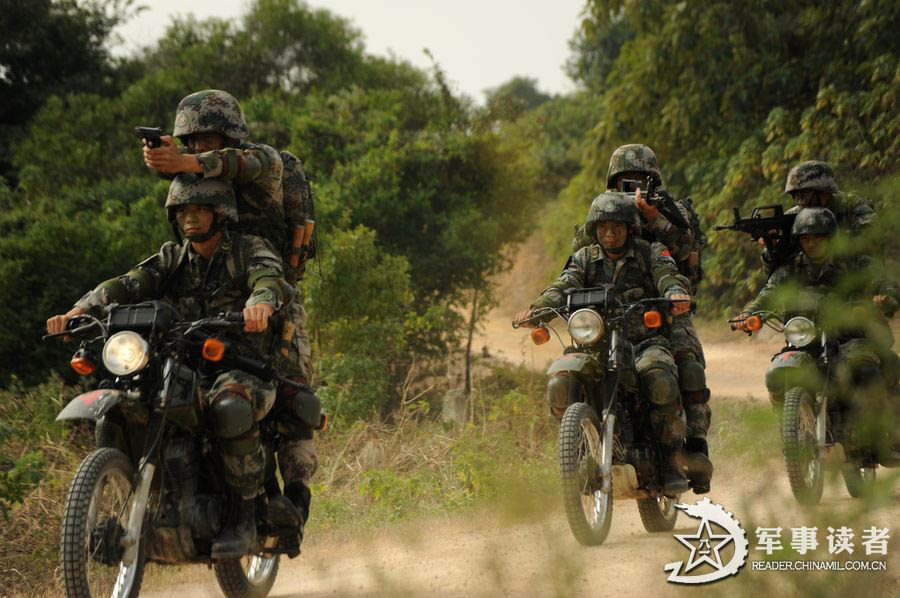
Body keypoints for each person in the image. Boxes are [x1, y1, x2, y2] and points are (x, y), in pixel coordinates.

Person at [47, 175, 288, 558]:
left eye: (199, 210)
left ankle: (243, 514)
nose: (190, 218)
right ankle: (144, 498)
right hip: (179, 359)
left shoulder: (248, 250)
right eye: (183, 211)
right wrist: (80, 310)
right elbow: (128, 283)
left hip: (241, 362)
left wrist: (261, 303)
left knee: (230, 408)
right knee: (127, 403)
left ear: (219, 213)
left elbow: (269, 278)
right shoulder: (172, 257)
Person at [142, 89, 316, 543]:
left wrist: (185, 163)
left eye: (208, 137)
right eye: (191, 140)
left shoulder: (264, 161)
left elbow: (238, 163)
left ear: (230, 133)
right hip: (213, 296)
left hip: (270, 295)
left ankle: (294, 498)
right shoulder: (197, 178)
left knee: (288, 399)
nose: (199, 147)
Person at [516, 192, 694, 495]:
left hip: (643, 342)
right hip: (593, 343)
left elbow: (669, 276)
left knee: (660, 377)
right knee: (560, 380)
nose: (609, 233)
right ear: (594, 230)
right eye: (602, 227)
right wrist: (539, 308)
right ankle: (576, 448)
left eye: (617, 226)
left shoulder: (651, 252)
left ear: (630, 228)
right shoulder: (585, 258)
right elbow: (564, 284)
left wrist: (675, 293)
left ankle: (670, 460)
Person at [572, 144, 712, 492]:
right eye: (624, 179)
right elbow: (578, 260)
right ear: (613, 180)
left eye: (640, 178)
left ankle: (691, 450)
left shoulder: (672, 210)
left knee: (684, 367)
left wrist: (654, 218)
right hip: (610, 309)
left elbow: (685, 255)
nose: (631, 185)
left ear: (653, 179)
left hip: (667, 304)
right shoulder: (604, 209)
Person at [740, 207, 899, 459]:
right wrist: (749, 315)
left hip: (850, 337)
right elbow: (768, 294)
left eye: (817, 238)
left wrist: (884, 297)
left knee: (866, 370)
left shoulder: (854, 263)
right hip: (805, 340)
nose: (811, 244)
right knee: (776, 375)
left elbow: (881, 282)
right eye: (805, 238)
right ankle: (791, 430)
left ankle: (879, 436)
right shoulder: (790, 269)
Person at [761, 160, 875, 275]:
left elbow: (872, 239)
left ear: (824, 191)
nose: (800, 201)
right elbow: (774, 272)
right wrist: (771, 249)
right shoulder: (793, 216)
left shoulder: (850, 204)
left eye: (804, 194)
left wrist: (827, 238)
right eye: (795, 195)